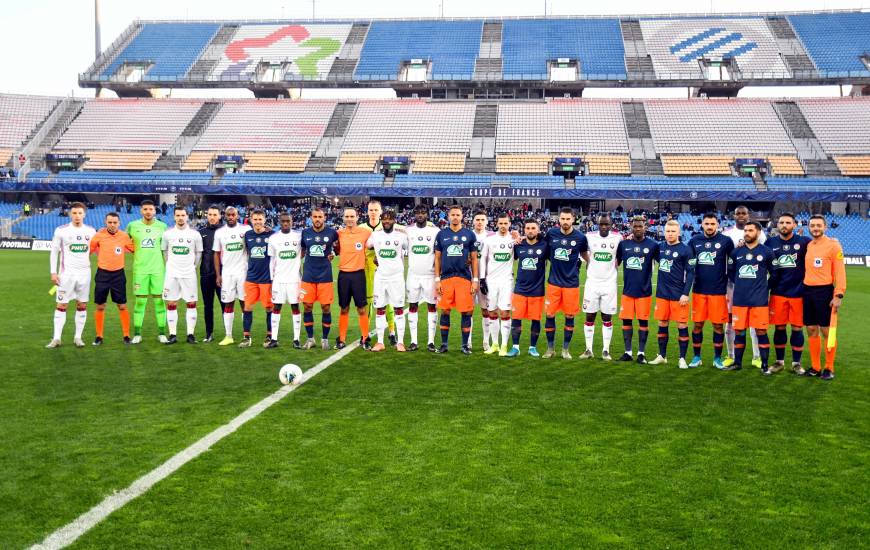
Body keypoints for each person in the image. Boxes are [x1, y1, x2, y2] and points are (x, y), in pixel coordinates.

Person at [801, 215, 847, 380]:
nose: (815, 228)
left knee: (828, 331)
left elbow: (840, 272)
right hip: (807, 291)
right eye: (812, 225)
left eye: (819, 225)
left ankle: (829, 367)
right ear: (809, 228)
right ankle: (815, 367)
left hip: (825, 292)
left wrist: (839, 294)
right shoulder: (809, 245)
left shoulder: (834, 245)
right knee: (811, 330)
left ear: (825, 227)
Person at [725, 221, 774, 373]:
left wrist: (765, 287)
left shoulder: (766, 252)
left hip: (759, 301)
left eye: (750, 230)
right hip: (739, 300)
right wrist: (741, 284)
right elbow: (731, 273)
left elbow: (775, 273)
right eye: (745, 230)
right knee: (739, 331)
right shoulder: (736, 252)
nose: (747, 233)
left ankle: (765, 364)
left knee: (761, 332)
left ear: (758, 232)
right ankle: (737, 363)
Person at [687, 213, 734, 369]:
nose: (709, 226)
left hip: (718, 291)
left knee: (718, 326)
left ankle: (717, 358)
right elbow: (689, 265)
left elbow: (733, 263)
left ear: (717, 225)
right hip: (699, 290)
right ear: (702, 225)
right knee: (698, 325)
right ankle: (696, 357)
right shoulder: (694, 241)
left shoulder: (726, 242)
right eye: (707, 223)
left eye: (712, 224)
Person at [46, 202, 96, 348]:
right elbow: (54, 251)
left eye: (80, 213)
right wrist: (53, 272)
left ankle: (78, 337)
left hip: (85, 273)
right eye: (74, 213)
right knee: (62, 304)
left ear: (84, 214)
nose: (77, 216)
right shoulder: (61, 230)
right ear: (69, 214)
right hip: (66, 274)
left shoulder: (91, 231)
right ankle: (56, 338)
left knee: (82, 304)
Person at [767, 212, 811, 374]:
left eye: (787, 222)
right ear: (777, 225)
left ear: (794, 225)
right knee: (779, 328)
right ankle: (779, 362)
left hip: (799, 293)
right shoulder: (770, 242)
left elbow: (819, 247)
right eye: (781, 222)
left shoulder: (804, 242)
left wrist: (831, 241)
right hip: (778, 292)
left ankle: (796, 363)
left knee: (797, 328)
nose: (784, 225)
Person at [542, 207, 589, 359]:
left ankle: (565, 350)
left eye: (568, 219)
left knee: (569, 316)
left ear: (574, 219)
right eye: (562, 219)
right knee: (549, 314)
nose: (565, 222)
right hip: (553, 282)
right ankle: (550, 349)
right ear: (559, 219)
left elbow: (583, 253)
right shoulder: (551, 234)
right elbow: (545, 251)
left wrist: (590, 264)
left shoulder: (580, 237)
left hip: (571, 283)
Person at [434, 205, 479, 354]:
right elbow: (438, 258)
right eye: (452, 215)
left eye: (458, 215)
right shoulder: (441, 234)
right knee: (445, 311)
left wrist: (475, 280)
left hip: (464, 278)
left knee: (466, 312)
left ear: (462, 216)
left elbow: (473, 258)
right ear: (448, 216)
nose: (455, 217)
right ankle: (444, 344)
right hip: (446, 278)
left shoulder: (469, 235)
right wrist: (437, 279)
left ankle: (465, 345)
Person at [649, 220, 695, 368]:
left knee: (682, 325)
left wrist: (685, 293)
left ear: (679, 232)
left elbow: (691, 273)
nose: (670, 234)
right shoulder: (659, 248)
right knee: (662, 323)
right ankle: (662, 355)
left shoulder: (686, 250)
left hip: (678, 295)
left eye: (673, 231)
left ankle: (682, 358)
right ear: (664, 232)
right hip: (662, 294)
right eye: (667, 231)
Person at [616, 216, 659, 364]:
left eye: (640, 226)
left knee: (643, 323)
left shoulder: (653, 245)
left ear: (645, 227)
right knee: (626, 322)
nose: (638, 229)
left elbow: (664, 262)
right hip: (627, 291)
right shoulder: (623, 245)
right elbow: (616, 262)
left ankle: (641, 353)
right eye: (635, 226)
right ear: (631, 227)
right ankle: (628, 352)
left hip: (644, 292)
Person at [126, 200, 169, 344]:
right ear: (141, 211)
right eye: (145, 209)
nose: (148, 211)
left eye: (151, 209)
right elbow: (125, 242)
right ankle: (137, 334)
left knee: (159, 302)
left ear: (155, 211)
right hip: (140, 270)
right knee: (140, 302)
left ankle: (162, 333)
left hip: (158, 270)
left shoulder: (163, 227)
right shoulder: (132, 226)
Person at [89, 211, 134, 345]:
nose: (112, 225)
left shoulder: (124, 236)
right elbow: (88, 251)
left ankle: (126, 336)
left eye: (115, 222)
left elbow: (135, 249)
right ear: (105, 222)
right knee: (100, 306)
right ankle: (99, 336)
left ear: (119, 223)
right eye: (110, 222)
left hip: (118, 275)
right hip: (102, 274)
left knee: (122, 306)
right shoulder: (98, 235)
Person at [366, 210, 408, 351]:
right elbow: (367, 245)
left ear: (394, 220)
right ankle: (380, 342)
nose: (387, 222)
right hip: (381, 277)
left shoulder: (401, 236)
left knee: (398, 309)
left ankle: (400, 342)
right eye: (384, 219)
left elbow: (411, 242)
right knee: (380, 308)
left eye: (390, 219)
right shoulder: (376, 235)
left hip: (396, 277)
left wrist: (400, 227)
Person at [506, 219, 548, 358]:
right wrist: (515, 237)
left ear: (538, 230)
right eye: (528, 228)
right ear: (524, 230)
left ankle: (532, 347)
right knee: (516, 318)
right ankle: (515, 347)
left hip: (537, 290)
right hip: (520, 289)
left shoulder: (544, 245)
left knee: (535, 319)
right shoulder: (518, 245)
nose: (530, 230)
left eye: (533, 228)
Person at [581, 213, 621, 361]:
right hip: (592, 283)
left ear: (611, 225)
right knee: (589, 315)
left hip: (609, 284)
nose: (604, 227)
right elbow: (582, 251)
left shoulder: (618, 238)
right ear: (597, 224)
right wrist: (588, 261)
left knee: (606, 316)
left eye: (607, 224)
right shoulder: (589, 236)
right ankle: (588, 349)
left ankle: (605, 350)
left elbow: (620, 256)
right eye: (601, 224)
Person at [161, 207, 203, 344]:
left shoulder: (195, 235)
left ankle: (190, 334)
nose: (180, 217)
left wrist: (192, 266)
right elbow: (165, 252)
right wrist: (171, 265)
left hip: (189, 273)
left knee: (191, 303)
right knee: (171, 302)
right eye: (178, 215)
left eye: (183, 215)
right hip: (172, 273)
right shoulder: (167, 234)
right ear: (174, 217)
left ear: (187, 216)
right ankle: (172, 334)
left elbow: (198, 254)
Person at [300, 207, 339, 350]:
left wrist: (333, 253)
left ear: (324, 218)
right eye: (315, 217)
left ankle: (324, 339)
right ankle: (310, 339)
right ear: (311, 218)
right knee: (307, 306)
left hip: (325, 276)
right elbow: (303, 250)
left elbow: (337, 248)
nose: (317, 219)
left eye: (320, 217)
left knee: (326, 307)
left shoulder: (332, 233)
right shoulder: (305, 233)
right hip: (308, 275)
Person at [213, 206, 252, 346]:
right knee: (228, 303)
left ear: (237, 215)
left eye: (233, 215)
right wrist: (218, 274)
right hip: (227, 273)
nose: (230, 217)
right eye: (228, 215)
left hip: (243, 272)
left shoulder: (246, 230)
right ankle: (228, 336)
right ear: (225, 216)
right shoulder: (219, 233)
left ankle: (246, 336)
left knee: (244, 303)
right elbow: (216, 254)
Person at [405, 204, 441, 352]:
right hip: (413, 275)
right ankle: (414, 341)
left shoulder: (435, 231)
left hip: (430, 275)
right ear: (414, 215)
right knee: (413, 306)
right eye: (418, 213)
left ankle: (431, 342)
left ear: (427, 214)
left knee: (431, 307)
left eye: (423, 213)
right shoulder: (408, 231)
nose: (420, 215)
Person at [479, 212, 515, 356]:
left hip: (507, 281)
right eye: (500, 223)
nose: (503, 226)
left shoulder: (514, 239)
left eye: (506, 223)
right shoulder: (489, 240)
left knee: (505, 312)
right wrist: (482, 279)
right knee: (492, 312)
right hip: (491, 281)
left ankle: (504, 345)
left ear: (510, 224)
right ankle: (494, 344)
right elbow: (483, 259)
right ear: (496, 224)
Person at [336, 207, 372, 350]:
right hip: (343, 275)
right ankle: (342, 339)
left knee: (361, 309)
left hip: (358, 275)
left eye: (352, 216)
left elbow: (380, 241)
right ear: (343, 218)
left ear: (357, 217)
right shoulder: (339, 233)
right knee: (344, 308)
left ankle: (365, 338)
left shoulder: (366, 233)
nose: (350, 219)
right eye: (347, 216)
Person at [266, 212, 303, 349]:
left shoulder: (299, 236)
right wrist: (271, 279)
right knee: (276, 307)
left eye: (288, 221)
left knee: (295, 307)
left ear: (292, 221)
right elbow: (271, 260)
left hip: (294, 280)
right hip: (278, 280)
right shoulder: (273, 238)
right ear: (279, 222)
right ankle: (274, 339)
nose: (286, 223)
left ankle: (296, 339)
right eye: (283, 221)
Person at [362, 200, 396, 346]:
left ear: (380, 212)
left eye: (376, 210)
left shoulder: (389, 227)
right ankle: (365, 334)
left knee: (389, 301)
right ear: (367, 211)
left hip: (386, 269)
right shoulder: (361, 228)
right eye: (371, 210)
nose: (373, 212)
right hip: (367, 269)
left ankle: (392, 332)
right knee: (368, 302)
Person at [239, 210, 273, 348]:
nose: (258, 222)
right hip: (251, 277)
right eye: (255, 219)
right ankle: (246, 337)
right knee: (247, 307)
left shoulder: (271, 235)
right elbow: (245, 254)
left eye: (260, 219)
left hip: (266, 278)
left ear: (264, 220)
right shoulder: (247, 235)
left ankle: (269, 335)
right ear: (251, 220)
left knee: (269, 308)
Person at [198, 205, 222, 342]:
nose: (212, 217)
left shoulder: (225, 231)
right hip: (206, 273)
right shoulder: (200, 232)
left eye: (215, 215)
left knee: (225, 304)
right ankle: (209, 333)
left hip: (222, 275)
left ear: (219, 216)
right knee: (208, 305)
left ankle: (228, 333)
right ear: (207, 216)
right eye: (210, 214)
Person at [471, 211, 494, 351]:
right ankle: (468, 342)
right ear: (473, 221)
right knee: (469, 311)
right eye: (477, 219)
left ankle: (486, 341)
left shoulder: (492, 236)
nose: (480, 222)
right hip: (469, 278)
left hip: (486, 279)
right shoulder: (468, 235)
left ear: (487, 222)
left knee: (486, 310)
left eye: (482, 219)